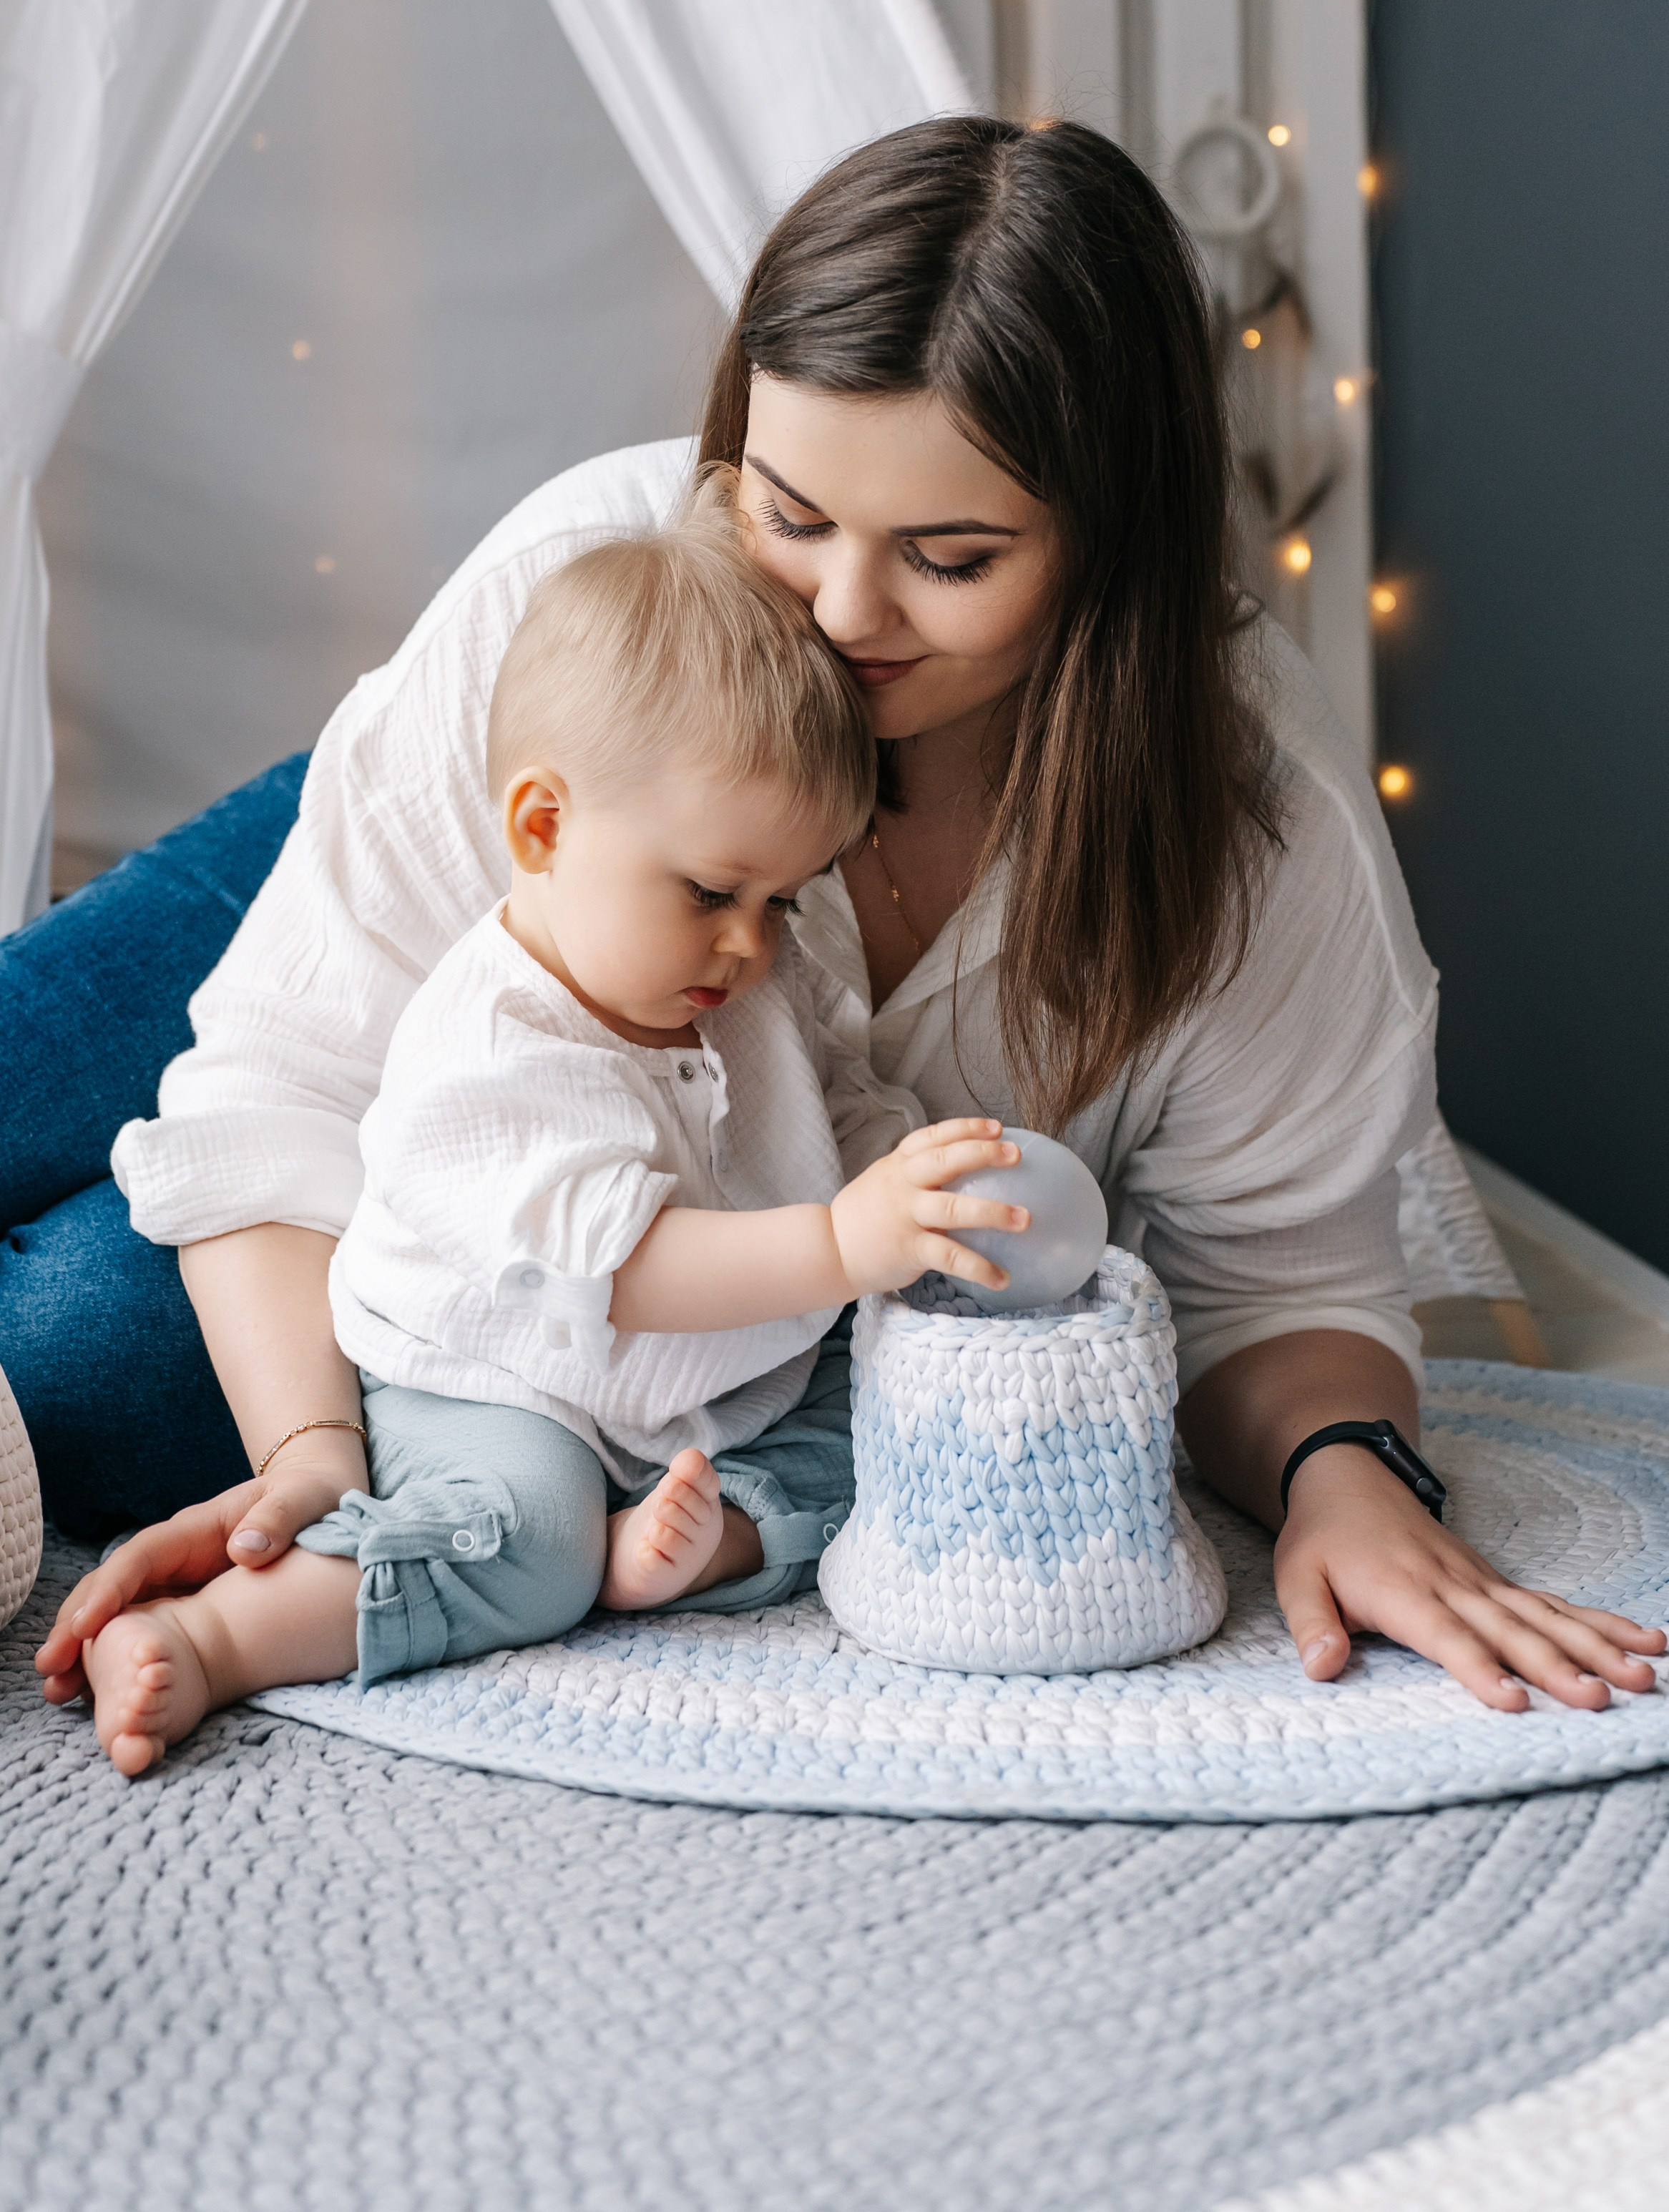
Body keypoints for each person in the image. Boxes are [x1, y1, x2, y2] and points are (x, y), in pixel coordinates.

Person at [22, 115, 1662, 1720]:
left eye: (949, 557)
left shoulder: (1251, 820)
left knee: (88, 1361)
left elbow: (1275, 1285)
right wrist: (312, 1462)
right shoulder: (589, 586)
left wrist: (1343, 1476)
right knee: (81, 1186)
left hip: (566, 1262)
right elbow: (282, 1080)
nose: (842, 614)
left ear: (1113, 553)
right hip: (434, 877)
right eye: (791, 517)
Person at [72, 489, 1027, 1773]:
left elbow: (829, 1094)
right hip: (500, 1374)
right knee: (522, 1538)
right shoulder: (494, 1050)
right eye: (710, 892)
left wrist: (896, 1164)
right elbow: (626, 1270)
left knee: (888, 1439)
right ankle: (222, 1639)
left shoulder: (741, 970)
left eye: (784, 901)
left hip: (711, 1378)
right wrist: (847, 1241)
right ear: (542, 827)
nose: (751, 941)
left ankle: (695, 1549)